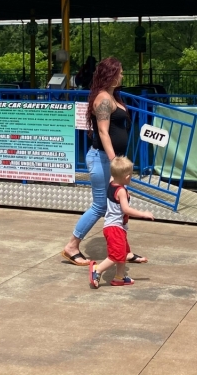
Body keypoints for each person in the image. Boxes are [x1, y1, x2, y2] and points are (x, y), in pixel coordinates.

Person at [62, 57, 147, 266]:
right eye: (119, 72)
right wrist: (114, 162)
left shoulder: (113, 96)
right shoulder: (103, 99)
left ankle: (123, 251)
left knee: (118, 206)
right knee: (101, 206)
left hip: (109, 160)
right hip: (103, 159)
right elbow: (103, 131)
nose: (122, 75)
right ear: (110, 74)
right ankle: (72, 246)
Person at [89, 156, 154, 288]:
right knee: (115, 255)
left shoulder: (112, 183)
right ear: (126, 177)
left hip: (115, 227)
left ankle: (119, 277)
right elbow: (126, 209)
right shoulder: (121, 191)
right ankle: (98, 269)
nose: (131, 178)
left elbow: (114, 174)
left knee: (122, 252)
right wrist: (143, 214)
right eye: (130, 175)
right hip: (114, 228)